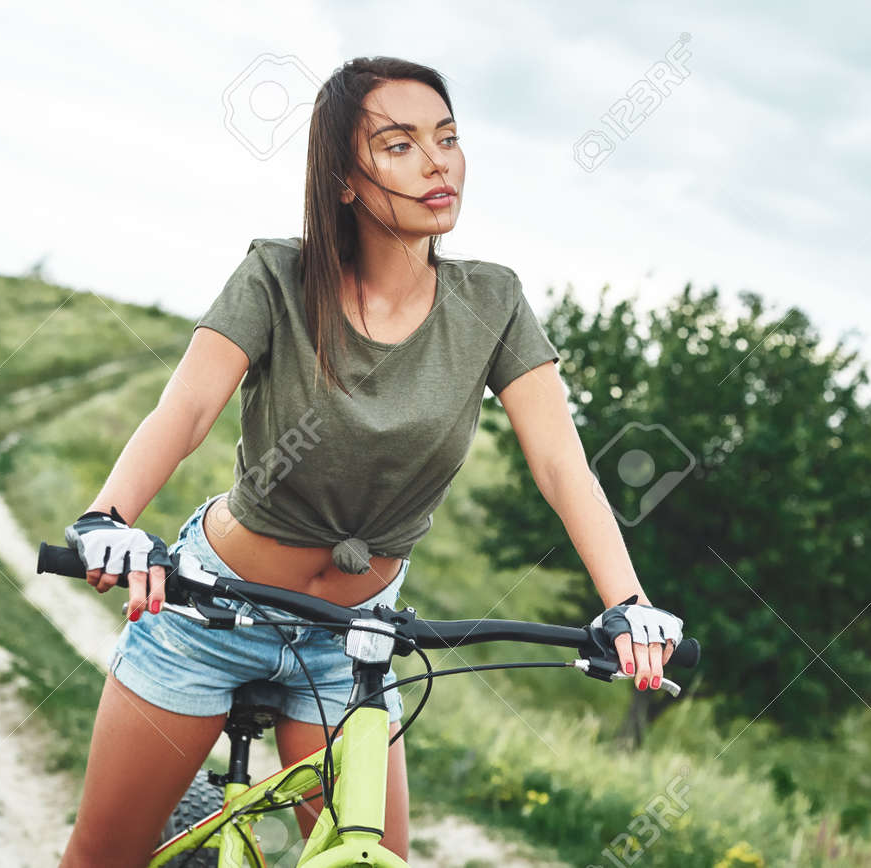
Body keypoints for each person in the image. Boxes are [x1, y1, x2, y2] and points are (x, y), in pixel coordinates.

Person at [57, 56, 684, 868]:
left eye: (449, 138)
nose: (437, 163)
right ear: (344, 179)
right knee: (101, 858)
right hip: (210, 614)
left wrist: (628, 604)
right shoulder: (276, 277)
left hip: (352, 641)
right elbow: (185, 412)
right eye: (400, 145)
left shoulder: (490, 304)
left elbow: (563, 465)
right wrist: (111, 518)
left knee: (367, 858)